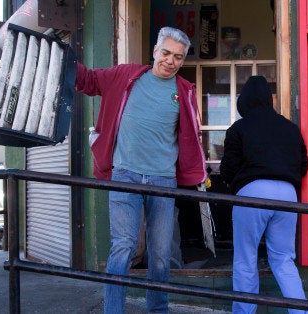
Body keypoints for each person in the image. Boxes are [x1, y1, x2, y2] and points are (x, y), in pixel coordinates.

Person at [75, 27, 206, 313]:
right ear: (155, 51)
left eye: (178, 57)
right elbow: (87, 80)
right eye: (166, 53)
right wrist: (61, 55)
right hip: (125, 175)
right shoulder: (126, 76)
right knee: (123, 247)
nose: (171, 61)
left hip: (163, 180)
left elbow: (189, 137)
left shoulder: (184, 91)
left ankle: (158, 310)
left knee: (161, 255)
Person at [219, 76, 308, 314]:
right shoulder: (291, 129)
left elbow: (227, 169)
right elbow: (303, 165)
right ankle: (301, 312)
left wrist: (238, 184)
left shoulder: (239, 128)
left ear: (244, 101)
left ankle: (244, 312)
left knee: (245, 258)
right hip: (288, 194)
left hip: (252, 193)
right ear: (269, 100)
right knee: (283, 259)